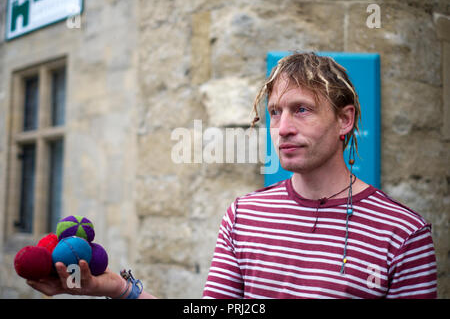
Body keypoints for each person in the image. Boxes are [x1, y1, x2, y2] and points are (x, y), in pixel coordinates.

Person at [27, 52, 437, 299]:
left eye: (302, 109)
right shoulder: (244, 215)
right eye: (276, 112)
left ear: (345, 120)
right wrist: (117, 289)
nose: (283, 127)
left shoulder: (404, 233)